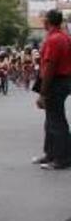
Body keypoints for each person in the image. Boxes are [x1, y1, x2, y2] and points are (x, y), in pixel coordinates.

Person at [34, 10, 71, 170]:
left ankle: (62, 158)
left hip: (56, 81)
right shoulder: (63, 37)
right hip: (63, 80)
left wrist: (43, 93)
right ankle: (50, 153)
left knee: (56, 121)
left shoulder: (54, 40)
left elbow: (50, 66)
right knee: (51, 119)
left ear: (47, 21)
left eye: (44, 19)